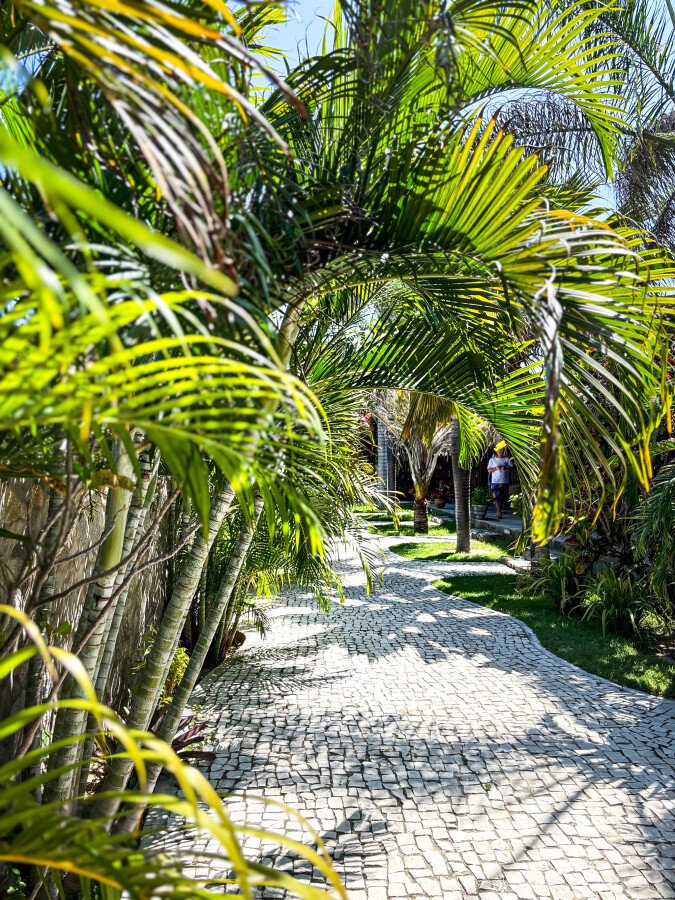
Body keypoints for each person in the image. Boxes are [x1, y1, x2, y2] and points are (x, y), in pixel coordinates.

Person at [487, 444, 513, 519]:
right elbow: (489, 470)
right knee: (497, 496)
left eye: (501, 452)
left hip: (505, 481)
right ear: (496, 452)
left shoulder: (506, 459)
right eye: (499, 452)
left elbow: (511, 469)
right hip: (495, 481)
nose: (500, 453)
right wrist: (496, 468)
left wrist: (505, 468)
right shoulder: (492, 460)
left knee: (503, 497)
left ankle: (499, 510)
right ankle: (499, 512)